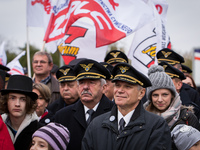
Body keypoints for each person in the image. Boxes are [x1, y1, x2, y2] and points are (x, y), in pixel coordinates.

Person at [82, 62, 171, 150]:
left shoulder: (156, 126)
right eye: (117, 85)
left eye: (127, 86)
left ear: (141, 93)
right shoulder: (97, 124)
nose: (120, 90)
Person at [54, 59, 114, 150]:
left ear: (104, 88)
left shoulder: (116, 112)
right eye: (82, 82)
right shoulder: (62, 116)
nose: (85, 87)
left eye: (91, 82)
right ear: (78, 87)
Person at [144, 64, 200, 131]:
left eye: (165, 94)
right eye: (155, 95)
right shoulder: (142, 117)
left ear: (172, 95)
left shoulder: (187, 117)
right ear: (150, 97)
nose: (160, 99)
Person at [0, 75, 42, 150]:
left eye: (23, 99)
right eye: (13, 98)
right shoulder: (1, 125)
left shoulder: (40, 130)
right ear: (6, 100)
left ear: (29, 102)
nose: (17, 104)